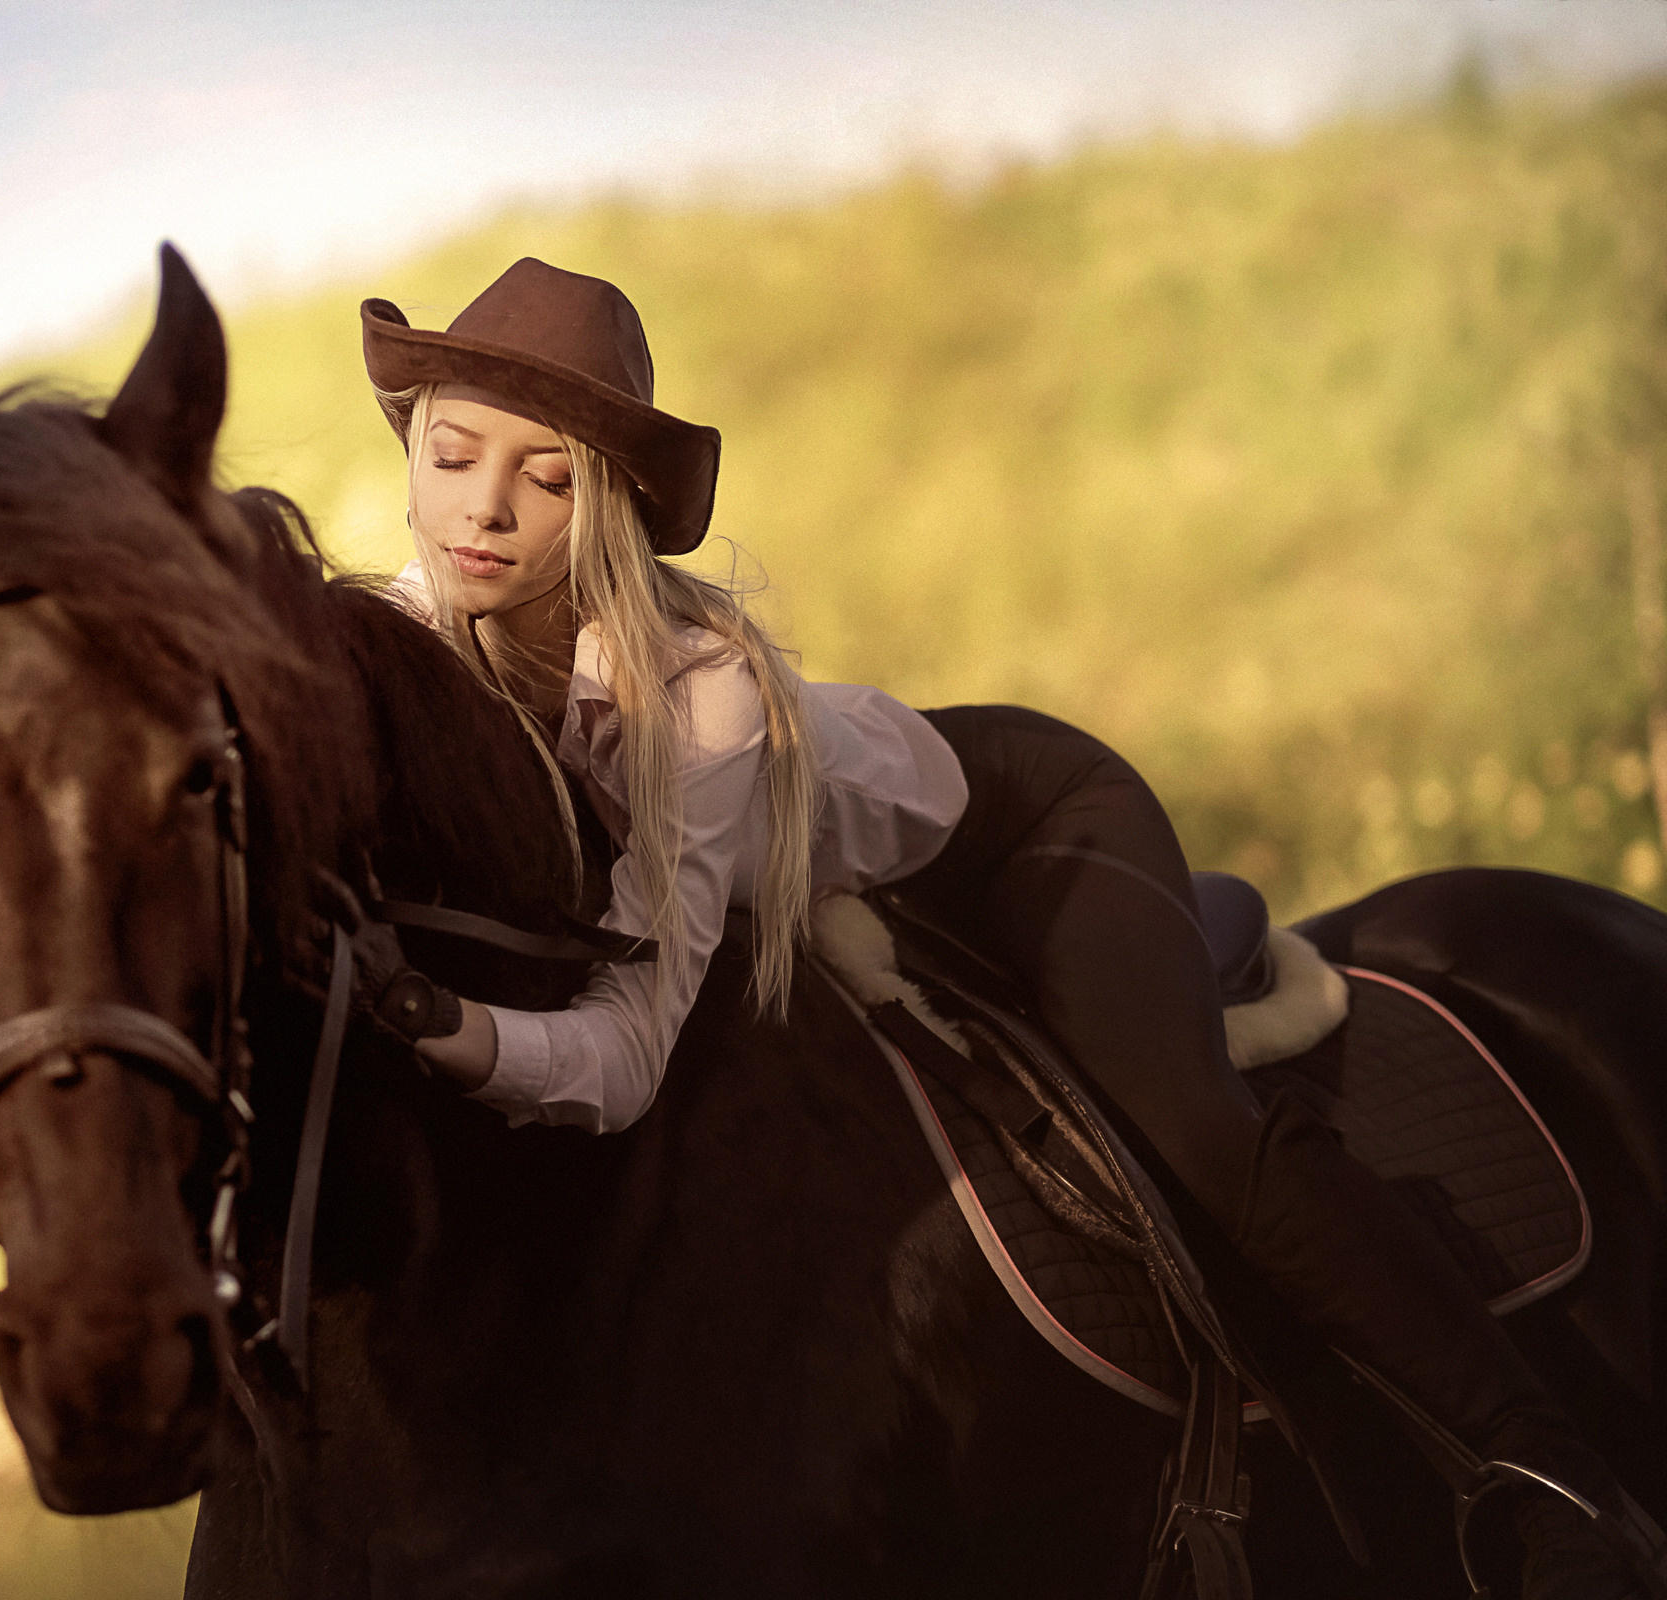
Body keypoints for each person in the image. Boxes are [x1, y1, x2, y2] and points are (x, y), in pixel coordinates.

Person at [345, 256, 1666, 1600]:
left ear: (611, 504)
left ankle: (1543, 1471)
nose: (487, 508)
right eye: (455, 455)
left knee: (1187, 1121)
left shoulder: (696, 696)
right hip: (836, 877)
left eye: (549, 476)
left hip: (1026, 832)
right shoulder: (411, 638)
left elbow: (627, 1047)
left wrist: (442, 1028)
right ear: (415, 455)